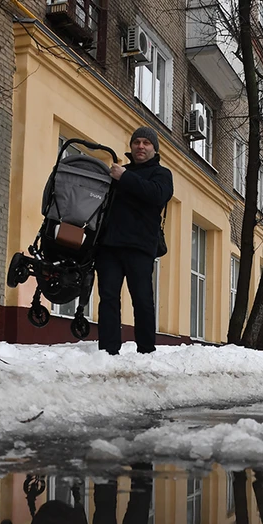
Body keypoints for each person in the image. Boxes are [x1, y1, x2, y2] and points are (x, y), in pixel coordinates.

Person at [96, 126, 174, 355]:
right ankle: (108, 351)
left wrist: (125, 177)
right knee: (108, 298)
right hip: (109, 246)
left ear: (154, 148)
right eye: (136, 142)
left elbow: (158, 195)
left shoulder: (161, 174)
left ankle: (146, 351)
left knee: (141, 300)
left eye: (146, 143)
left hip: (140, 247)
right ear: (131, 146)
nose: (140, 146)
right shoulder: (120, 172)